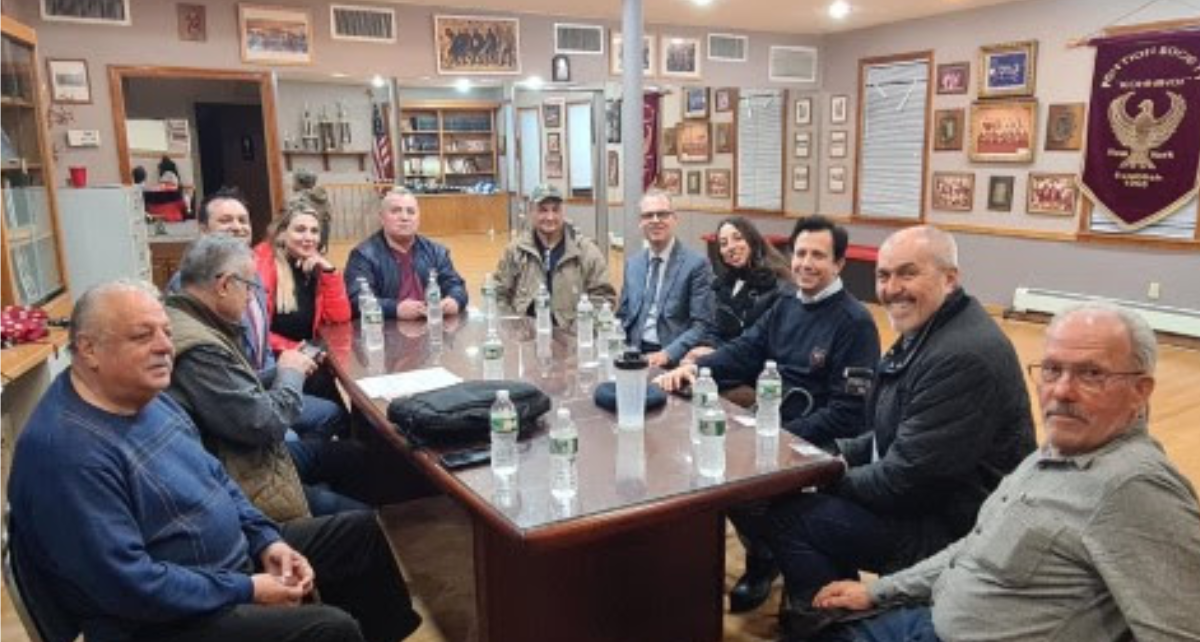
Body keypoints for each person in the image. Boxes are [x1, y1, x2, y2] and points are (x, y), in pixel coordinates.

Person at [7, 280, 421, 642]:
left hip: (224, 566)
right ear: (89, 349)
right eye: (142, 336)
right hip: (158, 621)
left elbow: (218, 479)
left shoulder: (146, 397)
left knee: (358, 534)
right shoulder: (66, 454)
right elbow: (127, 587)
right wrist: (247, 589)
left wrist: (267, 541)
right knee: (329, 630)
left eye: (166, 332)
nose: (165, 347)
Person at [811, 303, 1200, 642]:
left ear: (1140, 391)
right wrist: (880, 591)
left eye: (1091, 374)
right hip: (925, 621)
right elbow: (973, 549)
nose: (1062, 391)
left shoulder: (1135, 488)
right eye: (1052, 370)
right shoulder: (1055, 453)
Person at [766, 225, 1036, 638]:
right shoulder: (930, 330)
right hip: (928, 504)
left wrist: (821, 476)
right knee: (791, 499)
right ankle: (844, 618)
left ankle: (841, 630)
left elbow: (905, 480)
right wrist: (827, 454)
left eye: (907, 273)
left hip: (952, 531)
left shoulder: (961, 355)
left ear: (950, 278)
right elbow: (886, 435)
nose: (892, 288)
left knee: (792, 517)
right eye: (883, 275)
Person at [657, 215, 881, 614]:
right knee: (713, 468)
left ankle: (780, 563)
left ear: (839, 264)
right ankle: (765, 554)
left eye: (818, 256)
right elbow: (745, 349)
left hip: (818, 443)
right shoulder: (786, 304)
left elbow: (848, 415)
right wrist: (695, 370)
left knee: (742, 484)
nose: (805, 263)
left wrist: (778, 436)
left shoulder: (855, 323)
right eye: (800, 253)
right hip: (774, 426)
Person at [168, 235, 370, 518]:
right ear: (224, 285)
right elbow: (266, 424)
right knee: (367, 520)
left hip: (244, 454)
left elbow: (234, 385)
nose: (252, 297)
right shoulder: (200, 348)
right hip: (241, 472)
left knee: (354, 455)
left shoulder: (190, 319)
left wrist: (282, 368)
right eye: (250, 286)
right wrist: (290, 374)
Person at [167, 188, 345, 442]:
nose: (237, 227)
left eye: (243, 220)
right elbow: (228, 382)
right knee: (303, 432)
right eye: (226, 220)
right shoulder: (191, 283)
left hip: (259, 381)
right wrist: (288, 369)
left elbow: (263, 348)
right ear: (203, 229)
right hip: (237, 402)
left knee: (332, 410)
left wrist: (329, 274)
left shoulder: (251, 274)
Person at [493, 184, 616, 328]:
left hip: (572, 335)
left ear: (563, 212)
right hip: (526, 335)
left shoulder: (587, 252)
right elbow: (498, 293)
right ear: (531, 212)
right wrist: (513, 326)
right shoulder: (516, 251)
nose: (550, 217)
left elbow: (603, 298)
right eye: (543, 210)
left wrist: (580, 329)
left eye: (555, 210)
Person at [616, 189, 714, 368]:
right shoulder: (633, 264)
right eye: (648, 215)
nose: (655, 220)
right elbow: (622, 316)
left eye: (662, 214)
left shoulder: (696, 265)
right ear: (640, 222)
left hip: (672, 357)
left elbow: (702, 325)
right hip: (633, 353)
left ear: (674, 219)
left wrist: (667, 354)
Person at [344, 187, 468, 320]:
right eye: (396, 211)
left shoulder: (437, 252)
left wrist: (454, 301)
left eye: (411, 212)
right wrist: (395, 309)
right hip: (386, 328)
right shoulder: (363, 256)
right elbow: (356, 300)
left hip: (432, 326)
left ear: (418, 218)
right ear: (381, 217)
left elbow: (456, 286)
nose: (404, 217)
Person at [687, 216, 792, 361]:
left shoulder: (777, 286)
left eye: (738, 238)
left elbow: (759, 342)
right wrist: (705, 347)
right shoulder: (723, 284)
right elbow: (714, 329)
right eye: (723, 244)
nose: (730, 247)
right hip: (724, 358)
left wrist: (714, 355)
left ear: (753, 241)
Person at [254, 204, 351, 352]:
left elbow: (339, 319)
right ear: (281, 234)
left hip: (309, 353)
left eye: (314, 231)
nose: (309, 238)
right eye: (300, 230)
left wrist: (329, 273)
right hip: (273, 357)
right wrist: (297, 350)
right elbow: (255, 332)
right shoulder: (263, 264)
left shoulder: (315, 265)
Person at [289, 168, 333, 253]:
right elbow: (327, 222)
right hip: (319, 241)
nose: (293, 183)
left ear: (300, 182)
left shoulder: (296, 200)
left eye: (294, 180)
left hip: (302, 244)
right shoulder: (323, 199)